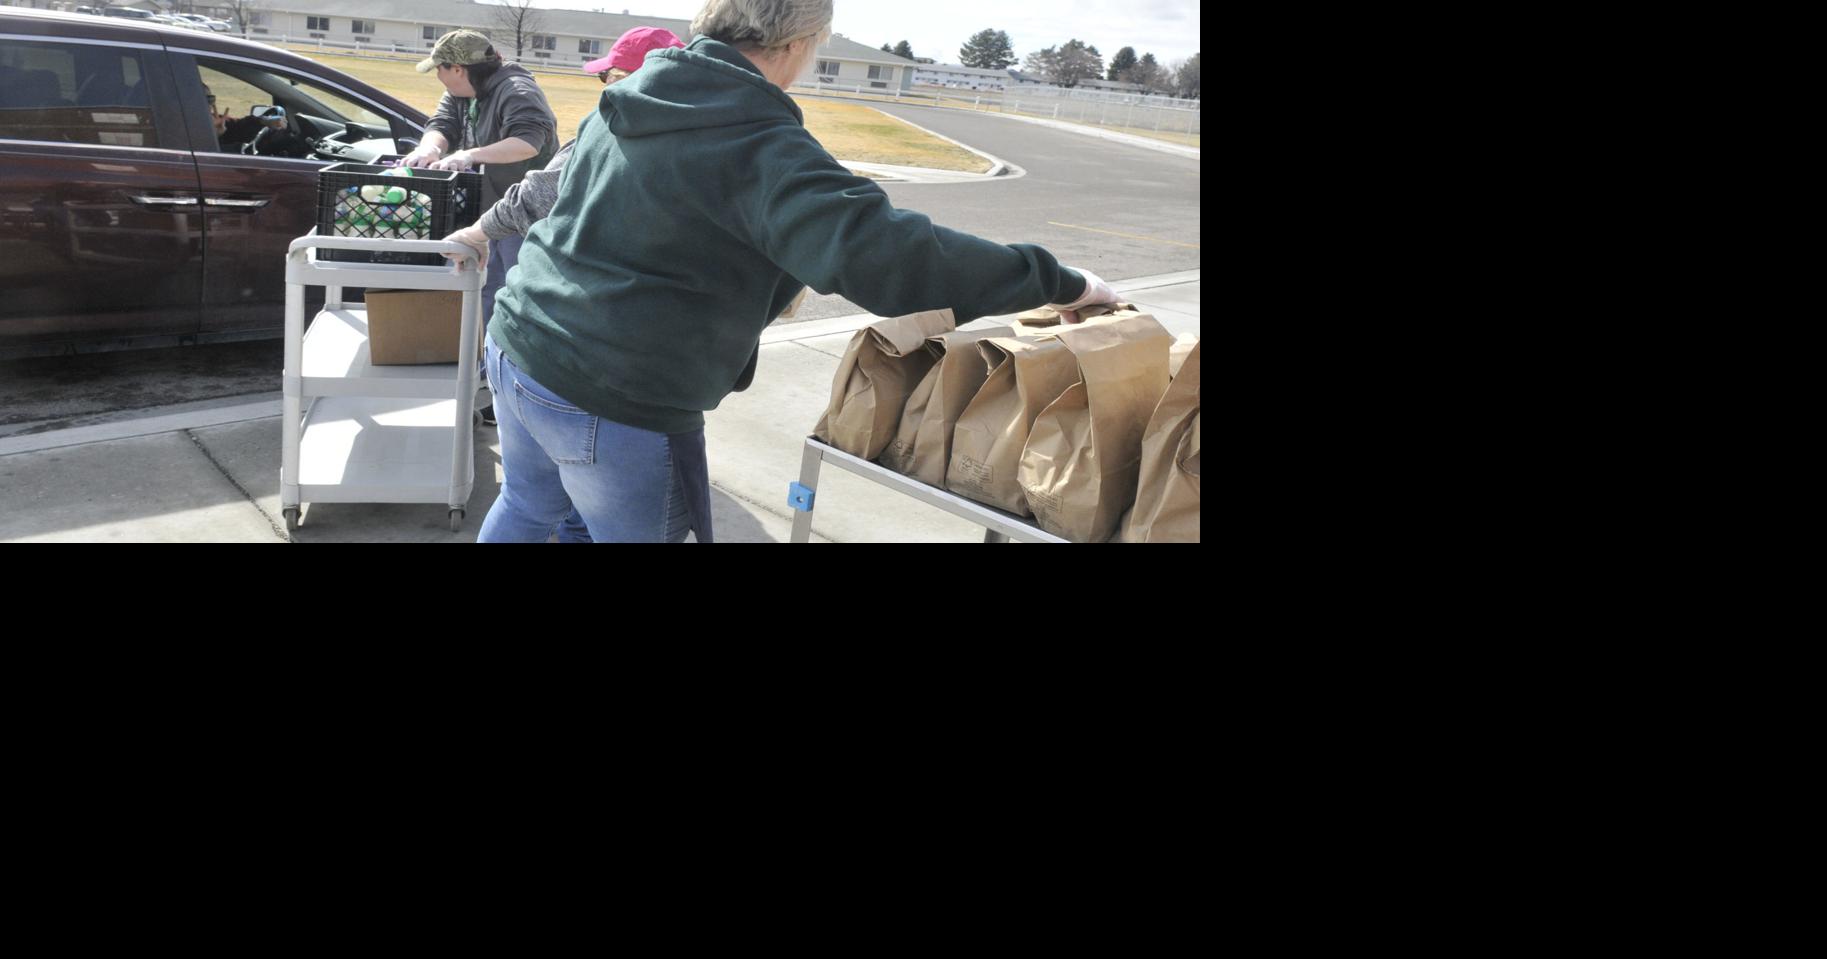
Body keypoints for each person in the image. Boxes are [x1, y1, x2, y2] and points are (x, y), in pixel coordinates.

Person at [479, 0, 1116, 543]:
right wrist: (1063, 281)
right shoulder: (757, 141)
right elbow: (888, 256)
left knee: (526, 507)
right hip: (611, 390)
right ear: (798, 43)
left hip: (518, 341)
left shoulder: (636, 92)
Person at [442, 26, 686, 544]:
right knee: (600, 519)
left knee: (529, 503)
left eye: (613, 77)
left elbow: (533, 188)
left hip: (530, 346)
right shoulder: (688, 143)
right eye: (607, 79)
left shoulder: (608, 128)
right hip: (590, 366)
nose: (608, 90)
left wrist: (475, 232)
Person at [400, 29, 558, 425]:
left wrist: (470, 155)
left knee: (516, 302)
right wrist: (430, 147)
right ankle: (491, 385)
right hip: (489, 212)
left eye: (440, 69)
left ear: (458, 68)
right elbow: (442, 123)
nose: (438, 77)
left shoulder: (517, 91)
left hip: (525, 216)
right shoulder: (464, 91)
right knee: (488, 295)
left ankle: (517, 395)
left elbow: (528, 142)